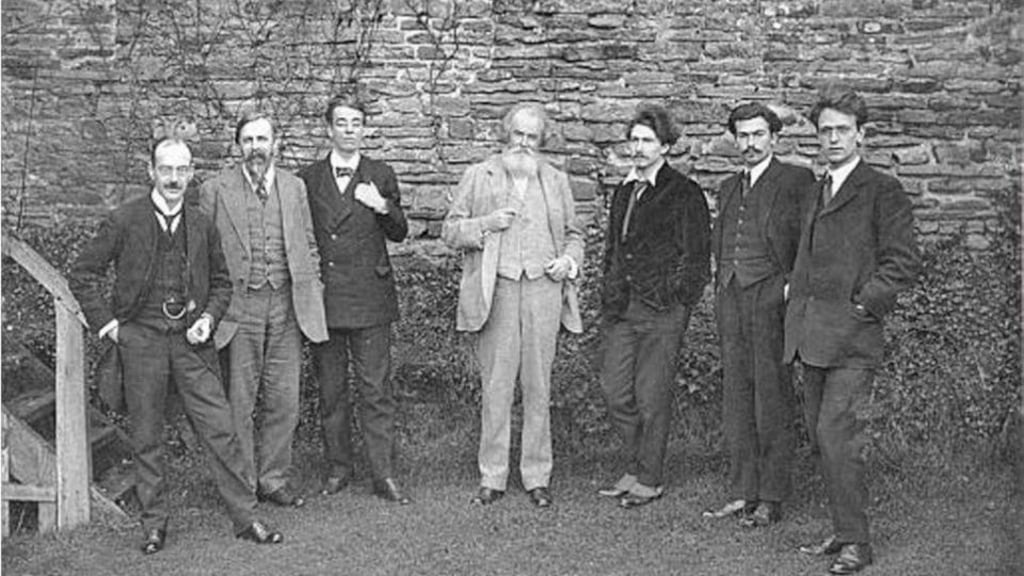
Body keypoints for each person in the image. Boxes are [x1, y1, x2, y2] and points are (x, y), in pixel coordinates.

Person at [69, 137, 284, 554]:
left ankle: (246, 517)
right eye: (165, 169)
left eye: (181, 170)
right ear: (151, 171)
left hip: (191, 345)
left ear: (191, 173)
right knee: (147, 436)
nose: (173, 178)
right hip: (142, 343)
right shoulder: (124, 220)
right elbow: (82, 275)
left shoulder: (202, 223)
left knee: (221, 430)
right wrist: (111, 328)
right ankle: (154, 525)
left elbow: (222, 283)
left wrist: (207, 319)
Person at [786, 88, 920, 575]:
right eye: (825, 131)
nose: (833, 138)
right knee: (822, 437)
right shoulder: (817, 188)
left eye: (843, 130)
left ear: (861, 135)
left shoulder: (882, 189)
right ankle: (843, 530)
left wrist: (863, 304)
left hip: (854, 339)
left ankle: (857, 545)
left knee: (836, 435)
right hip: (812, 336)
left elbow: (903, 261)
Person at [442, 103, 584, 509]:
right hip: (498, 290)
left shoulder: (555, 180)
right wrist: (485, 224)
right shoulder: (479, 175)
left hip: (543, 291)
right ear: (506, 135)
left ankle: (537, 476)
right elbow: (450, 231)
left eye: (531, 137)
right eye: (518, 134)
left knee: (538, 387)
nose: (523, 143)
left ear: (542, 141)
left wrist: (568, 261)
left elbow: (575, 235)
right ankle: (493, 475)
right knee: (497, 387)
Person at [199, 111, 328, 509]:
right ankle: (241, 483)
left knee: (284, 399)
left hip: (288, 305)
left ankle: (273, 480)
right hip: (240, 308)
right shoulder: (215, 189)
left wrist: (313, 289)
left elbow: (308, 244)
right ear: (238, 145)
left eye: (262, 139)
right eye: (248, 140)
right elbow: (201, 255)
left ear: (276, 144)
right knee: (239, 401)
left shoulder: (294, 186)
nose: (256, 147)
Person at [703, 103, 814, 526]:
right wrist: (720, 285)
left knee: (771, 396)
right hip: (732, 297)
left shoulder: (796, 180)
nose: (750, 143)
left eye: (758, 135)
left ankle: (771, 495)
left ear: (774, 138)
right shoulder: (729, 186)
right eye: (743, 136)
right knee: (737, 395)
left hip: (771, 296)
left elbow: (809, 239)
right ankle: (742, 490)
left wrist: (790, 286)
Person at [596, 104, 711, 508]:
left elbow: (696, 256)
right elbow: (614, 248)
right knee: (614, 390)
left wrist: (678, 298)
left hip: (663, 309)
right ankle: (634, 464)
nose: (639, 148)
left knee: (651, 396)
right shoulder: (624, 191)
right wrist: (609, 289)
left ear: (665, 146)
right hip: (623, 307)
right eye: (634, 140)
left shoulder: (683, 192)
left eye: (647, 140)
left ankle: (649, 476)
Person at [299, 95, 411, 504]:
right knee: (331, 390)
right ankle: (338, 468)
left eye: (356, 123)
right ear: (329, 129)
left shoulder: (381, 173)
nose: (349, 130)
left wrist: (381, 205)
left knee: (375, 389)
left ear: (365, 129)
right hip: (327, 298)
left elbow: (400, 231)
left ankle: (384, 473)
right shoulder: (307, 178)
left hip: (370, 298)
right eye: (342, 123)